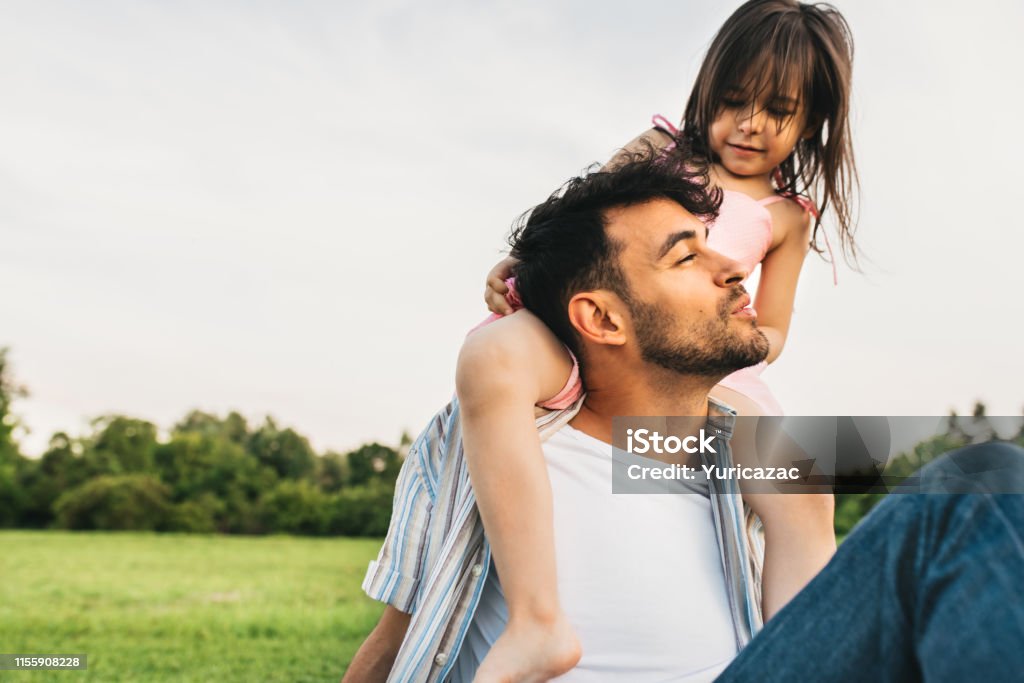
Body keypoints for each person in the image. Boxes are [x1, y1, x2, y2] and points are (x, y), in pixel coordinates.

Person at [343, 150, 1024, 682]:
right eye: (687, 254)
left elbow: (819, 596)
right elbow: (402, 633)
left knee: (986, 481)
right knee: (981, 480)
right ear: (602, 317)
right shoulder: (486, 441)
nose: (734, 268)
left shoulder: (749, 454)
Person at [463, 1, 857, 679]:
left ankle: (791, 662)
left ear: (812, 121)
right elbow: (577, 226)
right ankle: (536, 619)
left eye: (778, 111)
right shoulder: (659, 152)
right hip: (597, 328)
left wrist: (724, 338)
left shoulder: (788, 216)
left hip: (711, 361)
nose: (750, 123)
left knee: (802, 483)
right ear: (707, 88)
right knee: (494, 356)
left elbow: (775, 328)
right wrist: (518, 267)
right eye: (734, 100)